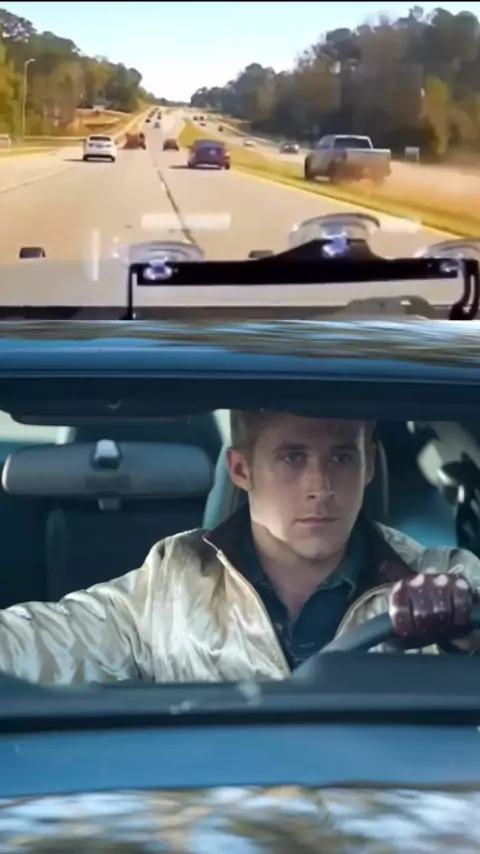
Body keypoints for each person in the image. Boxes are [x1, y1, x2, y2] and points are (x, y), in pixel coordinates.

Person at [0, 410, 480, 685]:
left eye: (341, 457)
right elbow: (49, 640)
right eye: (292, 457)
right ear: (241, 470)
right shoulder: (176, 579)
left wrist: (461, 635)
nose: (321, 487)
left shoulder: (437, 575)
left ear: (369, 466)